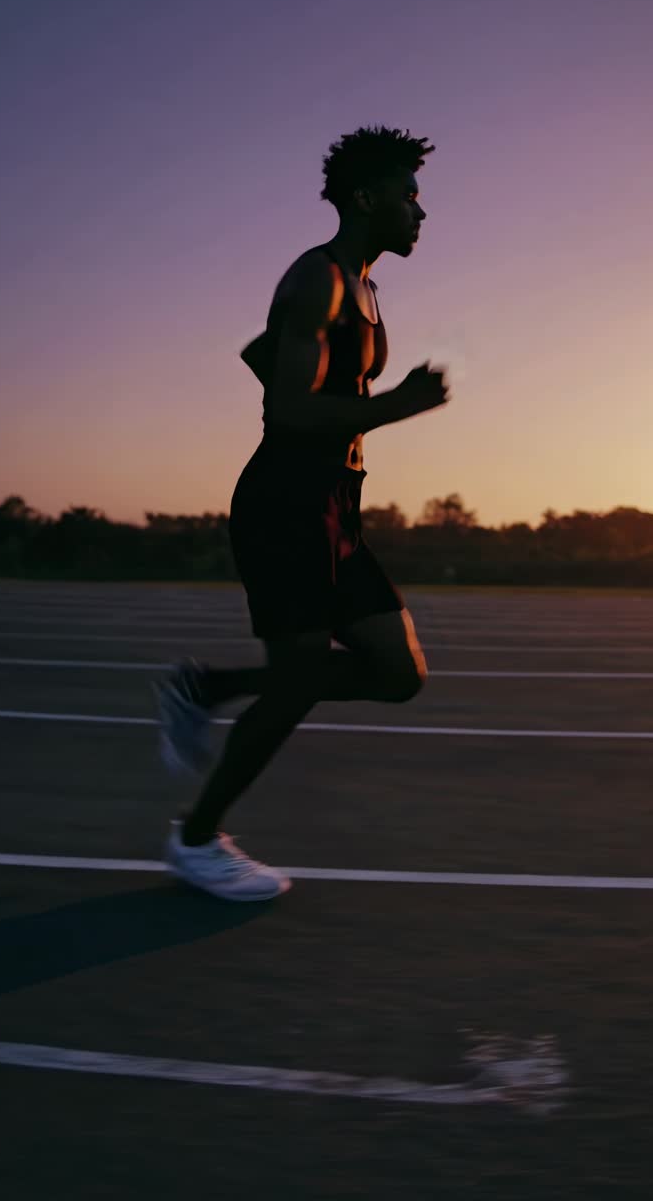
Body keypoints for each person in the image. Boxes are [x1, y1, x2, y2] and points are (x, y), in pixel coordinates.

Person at [154, 125, 450, 900]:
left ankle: (210, 687)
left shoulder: (366, 290)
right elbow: (287, 410)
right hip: (286, 499)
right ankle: (195, 840)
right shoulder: (316, 277)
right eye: (408, 195)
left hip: (334, 508)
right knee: (297, 682)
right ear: (366, 198)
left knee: (397, 671)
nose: (421, 210)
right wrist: (396, 405)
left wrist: (348, 401)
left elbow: (266, 356)